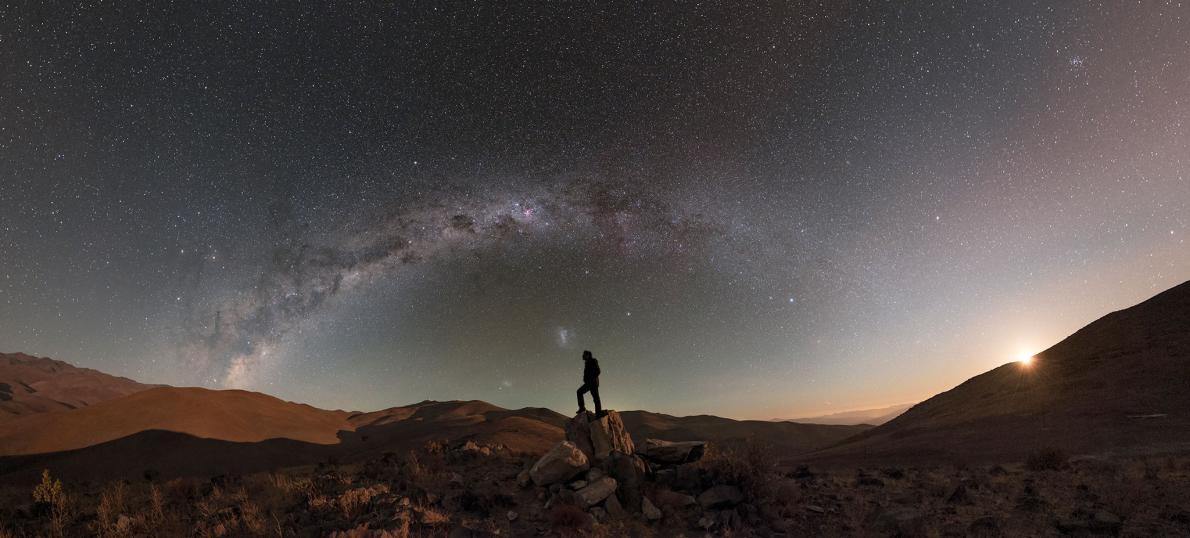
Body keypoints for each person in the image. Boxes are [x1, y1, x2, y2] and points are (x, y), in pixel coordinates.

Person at [576, 350, 603, 416]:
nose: (583, 356)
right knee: (579, 392)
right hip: (589, 383)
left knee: (596, 398)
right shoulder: (587, 362)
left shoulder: (593, 361)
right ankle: (582, 408)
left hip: (593, 383)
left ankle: (598, 413)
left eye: (584, 355)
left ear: (588, 355)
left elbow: (598, 371)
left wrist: (591, 378)